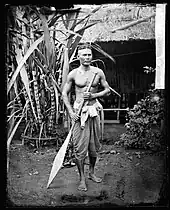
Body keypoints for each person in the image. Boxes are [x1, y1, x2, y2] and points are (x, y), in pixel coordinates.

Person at [62, 43, 110, 191]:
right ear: (78, 57)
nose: (87, 57)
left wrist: (95, 95)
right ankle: (82, 178)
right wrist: (70, 112)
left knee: (94, 146)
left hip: (93, 110)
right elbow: (64, 94)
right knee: (80, 147)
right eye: (84, 54)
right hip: (79, 112)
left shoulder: (98, 72)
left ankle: (92, 173)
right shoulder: (73, 74)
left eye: (89, 54)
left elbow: (107, 90)